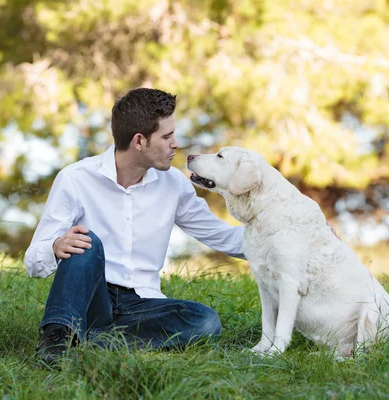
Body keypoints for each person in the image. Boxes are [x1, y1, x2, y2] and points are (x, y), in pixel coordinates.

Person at [24, 88, 245, 364]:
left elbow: (223, 236)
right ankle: (55, 343)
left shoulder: (174, 185)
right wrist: (56, 247)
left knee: (205, 322)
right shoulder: (75, 179)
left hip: (143, 304)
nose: (176, 144)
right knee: (85, 242)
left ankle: (89, 341)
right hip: (93, 299)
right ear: (139, 141)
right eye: (166, 137)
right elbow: (33, 261)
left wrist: (283, 239)